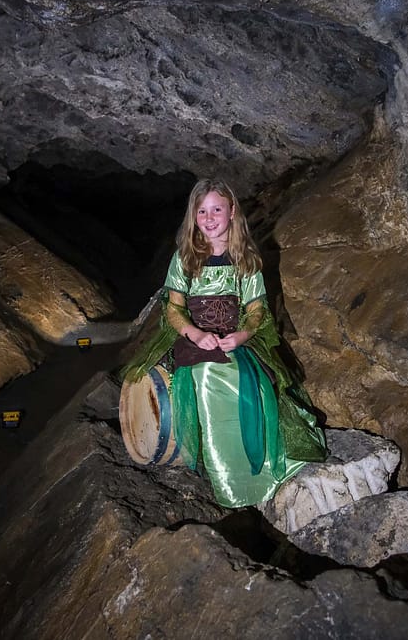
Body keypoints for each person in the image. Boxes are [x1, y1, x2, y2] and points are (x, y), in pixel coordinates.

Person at [122, 179, 327, 507]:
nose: (209, 216)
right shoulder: (185, 258)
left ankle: (262, 468)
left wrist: (243, 335)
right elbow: (173, 309)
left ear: (232, 212)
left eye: (217, 208)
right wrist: (195, 333)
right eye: (201, 210)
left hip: (236, 337)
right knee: (206, 375)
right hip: (195, 338)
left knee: (254, 381)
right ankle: (229, 481)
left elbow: (257, 309)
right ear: (193, 216)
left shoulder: (245, 258)